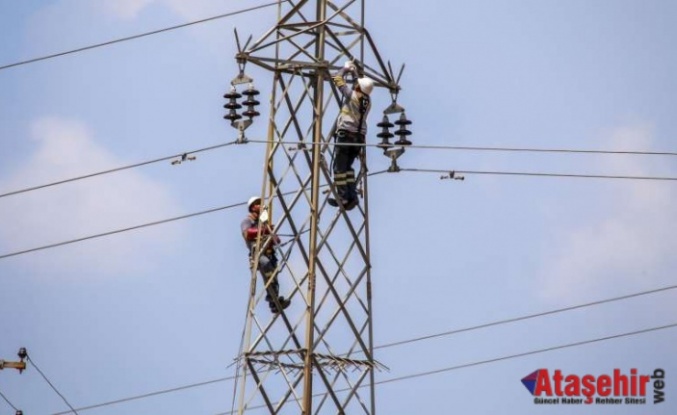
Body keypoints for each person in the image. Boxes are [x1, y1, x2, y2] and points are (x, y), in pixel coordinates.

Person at [329, 61, 374, 210]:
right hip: (359, 138)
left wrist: (345, 68)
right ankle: (352, 196)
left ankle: (343, 198)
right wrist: (354, 72)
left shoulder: (352, 95)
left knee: (339, 169)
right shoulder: (368, 100)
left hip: (346, 135)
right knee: (347, 168)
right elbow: (359, 84)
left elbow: (337, 78)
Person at [241, 196, 291, 313]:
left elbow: (276, 240)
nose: (261, 206)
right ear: (253, 207)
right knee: (268, 267)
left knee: (274, 276)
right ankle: (272, 298)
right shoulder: (247, 221)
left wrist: (272, 234)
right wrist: (265, 231)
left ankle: (274, 302)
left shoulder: (263, 224)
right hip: (258, 254)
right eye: (259, 204)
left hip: (269, 254)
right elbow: (247, 234)